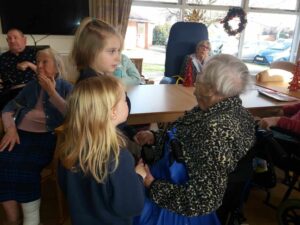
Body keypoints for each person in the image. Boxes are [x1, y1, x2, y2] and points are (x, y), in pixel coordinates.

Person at [133, 54, 256, 225]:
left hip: (175, 210)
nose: (197, 77)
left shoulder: (216, 132)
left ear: (212, 89)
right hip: (168, 181)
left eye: (202, 73)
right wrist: (156, 137)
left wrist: (153, 186)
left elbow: (202, 200)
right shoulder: (215, 108)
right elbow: (186, 140)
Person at [58, 76, 145, 225]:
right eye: (125, 99)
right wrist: (138, 177)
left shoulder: (68, 150)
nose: (127, 102)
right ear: (112, 112)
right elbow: (131, 206)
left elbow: (65, 186)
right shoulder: (119, 158)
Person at [0, 48, 73, 225]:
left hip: (46, 137)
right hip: (20, 134)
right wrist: (10, 128)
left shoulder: (67, 87)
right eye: (37, 61)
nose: (38, 66)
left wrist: (52, 92)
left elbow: (72, 115)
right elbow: (9, 107)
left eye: (44, 62)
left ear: (56, 66)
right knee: (2, 162)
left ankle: (32, 220)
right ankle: (13, 219)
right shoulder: (32, 86)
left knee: (26, 167)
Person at [71, 17, 138, 143]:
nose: (118, 59)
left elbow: (114, 123)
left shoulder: (102, 78)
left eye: (119, 51)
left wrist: (132, 134)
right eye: (112, 51)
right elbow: (99, 134)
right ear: (90, 52)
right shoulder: (93, 87)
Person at [0, 29, 37, 109]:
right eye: (9, 38)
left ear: (24, 39)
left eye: (15, 37)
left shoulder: (36, 53)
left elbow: (46, 72)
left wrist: (29, 64)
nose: (12, 41)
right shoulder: (3, 57)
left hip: (31, 88)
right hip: (9, 91)